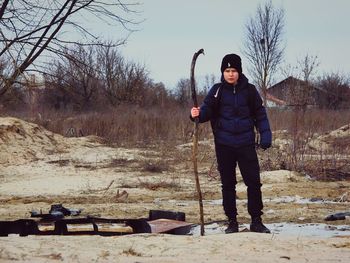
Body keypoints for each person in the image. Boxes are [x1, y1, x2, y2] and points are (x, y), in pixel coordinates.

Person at [190, 53, 272, 234]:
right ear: (223, 72)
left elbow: (260, 114)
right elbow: (206, 110)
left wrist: (265, 135)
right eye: (227, 70)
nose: (230, 74)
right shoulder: (217, 90)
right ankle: (232, 221)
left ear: (239, 72)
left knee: (254, 183)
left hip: (246, 143)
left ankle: (256, 221)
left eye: (234, 70)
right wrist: (196, 114)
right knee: (228, 184)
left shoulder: (250, 90)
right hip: (224, 144)